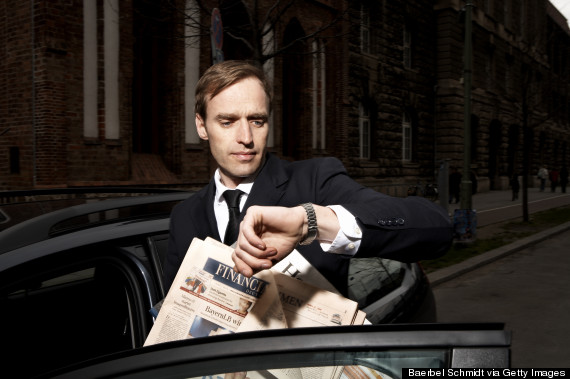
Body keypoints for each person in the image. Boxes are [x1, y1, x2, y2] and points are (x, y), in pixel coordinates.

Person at [164, 60, 453, 296]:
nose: (246, 138)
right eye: (227, 122)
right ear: (201, 126)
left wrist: (310, 221)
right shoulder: (184, 216)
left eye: (257, 121)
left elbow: (436, 228)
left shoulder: (315, 181)